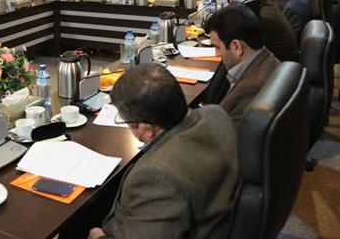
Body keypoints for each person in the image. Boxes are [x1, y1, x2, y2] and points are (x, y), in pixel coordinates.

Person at [89, 63, 238, 239]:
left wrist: (99, 237)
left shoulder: (157, 176)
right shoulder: (215, 114)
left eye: (125, 121)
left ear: (147, 130)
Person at [205, 5, 280, 127]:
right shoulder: (269, 59)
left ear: (237, 46)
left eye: (218, 47)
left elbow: (223, 135)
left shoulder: (251, 89)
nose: (216, 54)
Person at [231, 0, 297, 61]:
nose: (232, 2)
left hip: (276, 65)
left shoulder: (262, 17)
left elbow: (244, 47)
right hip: (277, 61)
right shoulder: (265, 5)